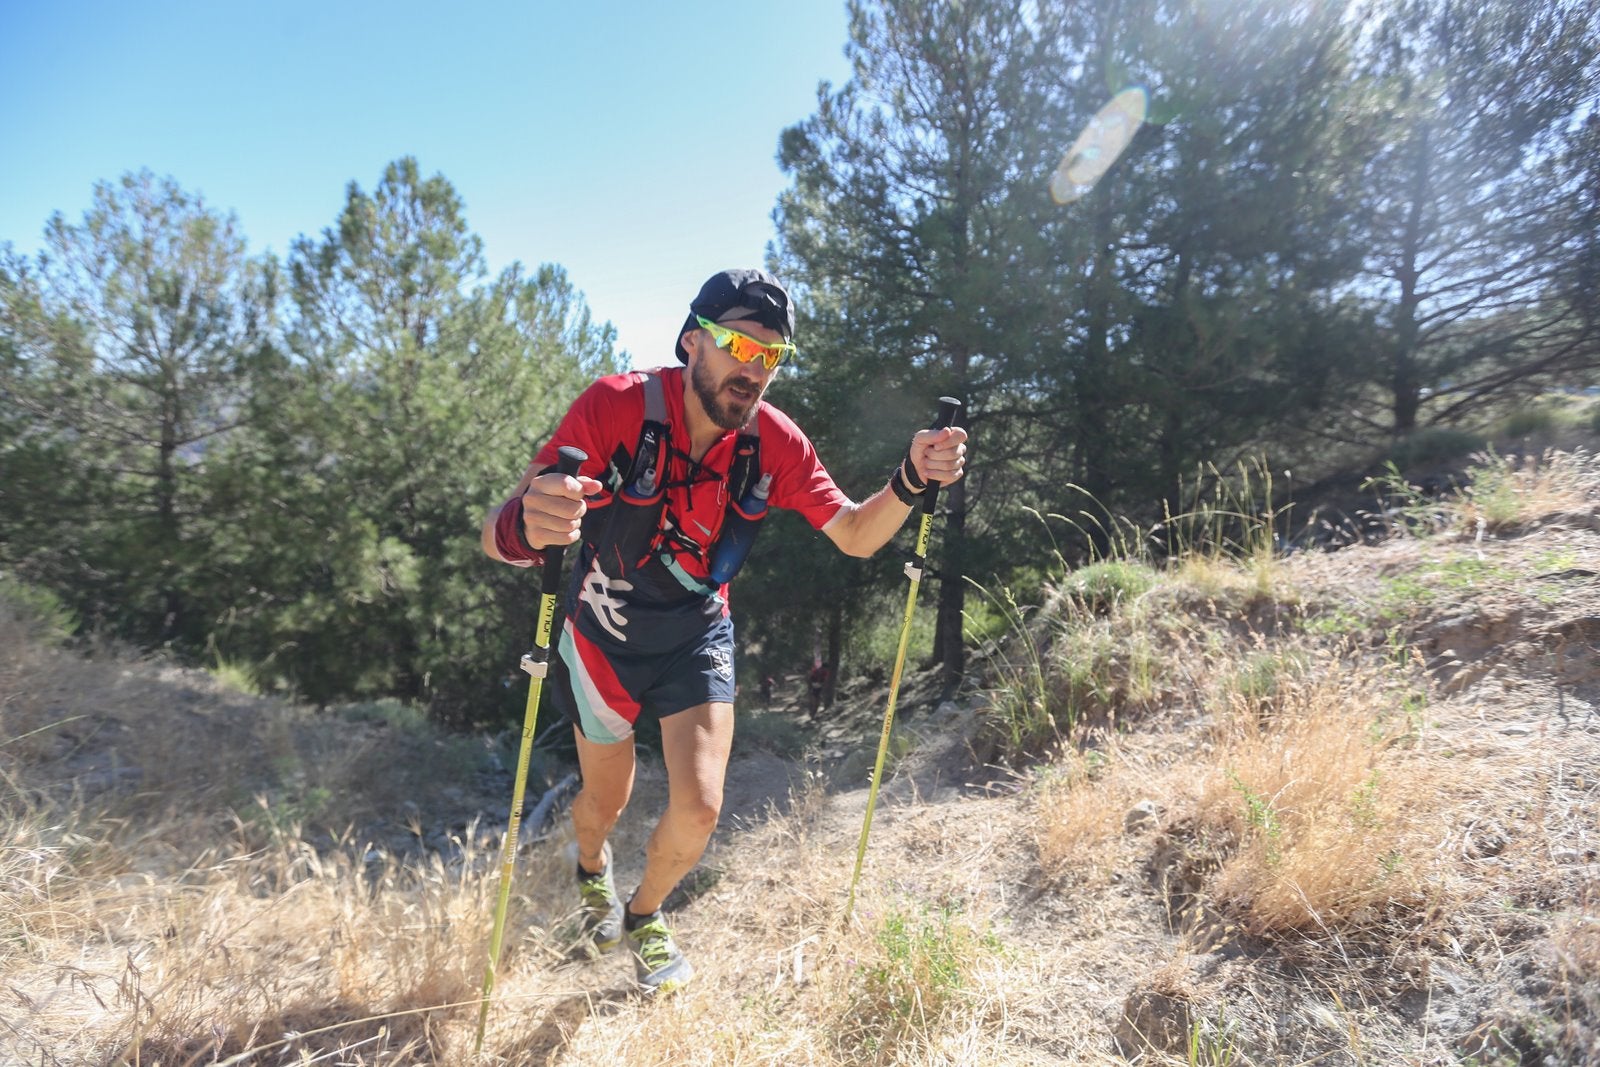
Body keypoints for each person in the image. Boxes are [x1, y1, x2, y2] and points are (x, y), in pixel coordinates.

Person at [480, 267, 967, 993]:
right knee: (605, 802)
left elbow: (857, 534)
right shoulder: (616, 406)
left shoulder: (775, 442)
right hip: (602, 636)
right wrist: (527, 524)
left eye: (771, 355)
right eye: (739, 344)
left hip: (696, 633)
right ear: (691, 342)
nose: (754, 367)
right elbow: (500, 531)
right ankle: (590, 866)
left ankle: (644, 915)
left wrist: (912, 477)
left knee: (701, 806)